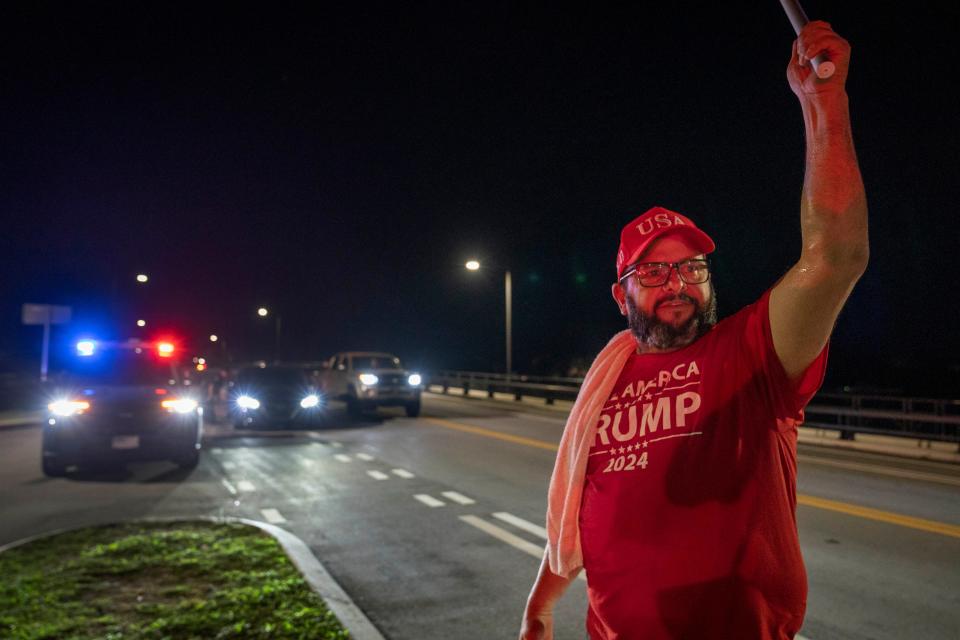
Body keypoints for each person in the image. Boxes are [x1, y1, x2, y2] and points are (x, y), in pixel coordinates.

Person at [519, 21, 867, 640]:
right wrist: (541, 603)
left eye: (690, 267)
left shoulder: (753, 351)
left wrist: (823, 105)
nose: (675, 281)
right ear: (620, 294)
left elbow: (835, 255)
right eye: (652, 270)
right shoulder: (609, 376)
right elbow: (581, 502)